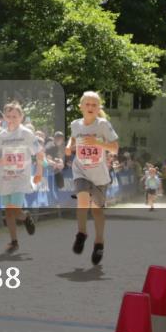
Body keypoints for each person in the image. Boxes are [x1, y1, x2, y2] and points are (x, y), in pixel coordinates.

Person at [64, 91, 118, 265]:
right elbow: (72, 139)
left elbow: (115, 148)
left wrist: (98, 143)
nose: (90, 107)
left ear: (98, 108)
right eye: (87, 104)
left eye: (94, 105)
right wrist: (68, 146)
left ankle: (99, 243)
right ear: (80, 107)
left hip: (99, 176)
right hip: (80, 170)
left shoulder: (103, 125)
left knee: (96, 211)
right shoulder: (75, 124)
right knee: (82, 200)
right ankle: (81, 234)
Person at [0, 102, 43, 253]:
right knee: (9, 211)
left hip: (21, 177)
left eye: (15, 116)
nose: (11, 119)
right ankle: (14, 241)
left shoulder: (26, 133)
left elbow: (39, 153)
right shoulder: (1, 136)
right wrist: (2, 161)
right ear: (5, 118)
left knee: (13, 208)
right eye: (9, 116)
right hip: (5, 177)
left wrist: (39, 172)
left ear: (21, 117)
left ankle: (24, 215)